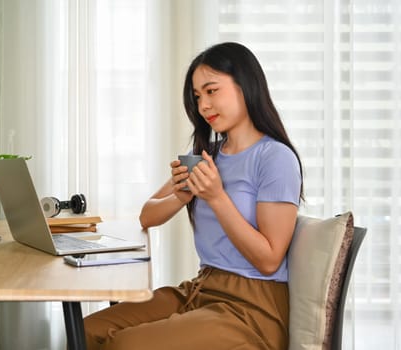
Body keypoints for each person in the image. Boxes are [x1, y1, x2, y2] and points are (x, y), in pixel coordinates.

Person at [84, 42, 304, 350]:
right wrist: (182, 196)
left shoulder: (275, 158)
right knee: (86, 330)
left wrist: (216, 197)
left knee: (127, 345)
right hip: (201, 289)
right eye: (198, 96)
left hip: (253, 308)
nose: (203, 106)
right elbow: (147, 216)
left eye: (212, 91)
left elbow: (269, 260)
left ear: (246, 85)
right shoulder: (206, 155)